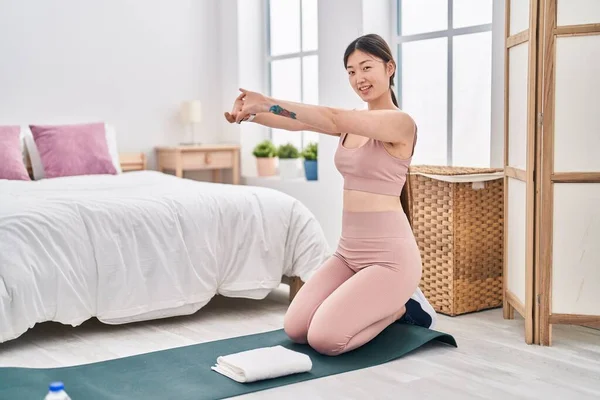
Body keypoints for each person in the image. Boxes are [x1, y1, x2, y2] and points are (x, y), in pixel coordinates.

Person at [224, 33, 437, 356]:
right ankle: (384, 305)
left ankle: (401, 309)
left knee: (325, 339)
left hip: (390, 259)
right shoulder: (354, 122)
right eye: (351, 72)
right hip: (348, 253)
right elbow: (298, 124)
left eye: (366, 67)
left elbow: (332, 117)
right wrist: (252, 114)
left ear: (389, 67)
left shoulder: (400, 123)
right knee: (296, 328)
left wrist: (266, 100)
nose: (359, 78)